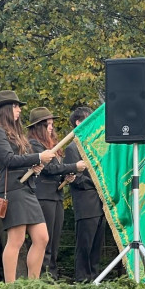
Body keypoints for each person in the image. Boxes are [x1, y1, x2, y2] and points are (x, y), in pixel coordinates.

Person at [0, 90, 57, 282]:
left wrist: (34, 167)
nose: (19, 110)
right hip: (13, 190)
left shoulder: (15, 133)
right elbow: (9, 160)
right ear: (5, 109)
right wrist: (38, 157)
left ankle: (32, 285)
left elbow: (20, 160)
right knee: (16, 240)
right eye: (15, 106)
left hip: (26, 188)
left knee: (42, 238)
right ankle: (10, 288)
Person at [27, 106, 85, 278]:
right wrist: (74, 167)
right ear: (39, 127)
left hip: (56, 195)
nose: (51, 128)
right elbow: (49, 168)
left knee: (54, 242)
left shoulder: (52, 145)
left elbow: (57, 169)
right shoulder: (34, 144)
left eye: (52, 124)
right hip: (43, 197)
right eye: (48, 124)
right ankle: (42, 278)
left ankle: (51, 276)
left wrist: (66, 177)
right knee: (44, 241)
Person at [65, 106, 106, 282]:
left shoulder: (95, 145)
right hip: (86, 205)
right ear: (78, 122)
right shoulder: (72, 148)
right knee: (85, 247)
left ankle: (94, 281)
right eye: (89, 119)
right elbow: (75, 178)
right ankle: (82, 281)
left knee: (97, 248)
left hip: (101, 204)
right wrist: (97, 183)